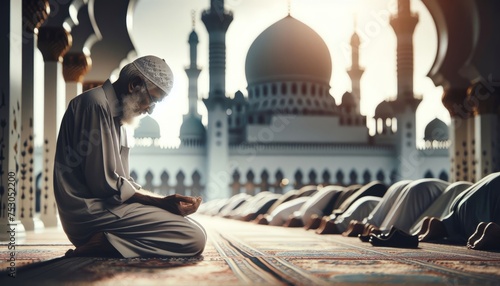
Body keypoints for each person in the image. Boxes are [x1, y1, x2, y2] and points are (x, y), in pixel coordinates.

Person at [54, 55, 206, 258]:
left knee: (197, 230)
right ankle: (105, 242)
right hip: (90, 211)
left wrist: (168, 203)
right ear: (135, 85)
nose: (151, 110)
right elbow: (105, 185)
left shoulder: (120, 119)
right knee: (193, 237)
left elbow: (123, 184)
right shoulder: (95, 105)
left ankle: (110, 243)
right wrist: (161, 203)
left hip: (109, 207)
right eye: (153, 99)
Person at [418, 172, 500, 250]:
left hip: (460, 203)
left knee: (457, 226)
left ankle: (443, 226)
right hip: (481, 214)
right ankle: (495, 233)